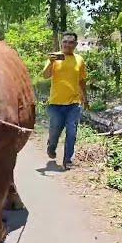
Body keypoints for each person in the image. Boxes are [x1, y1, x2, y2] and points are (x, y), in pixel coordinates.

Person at [42, 31, 88, 170]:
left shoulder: (79, 60)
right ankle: (51, 146)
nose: (67, 44)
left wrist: (85, 98)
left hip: (74, 104)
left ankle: (68, 160)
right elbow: (45, 75)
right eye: (65, 42)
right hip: (56, 103)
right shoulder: (55, 57)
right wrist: (51, 62)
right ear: (62, 43)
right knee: (55, 131)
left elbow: (82, 81)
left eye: (71, 42)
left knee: (72, 132)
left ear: (75, 44)